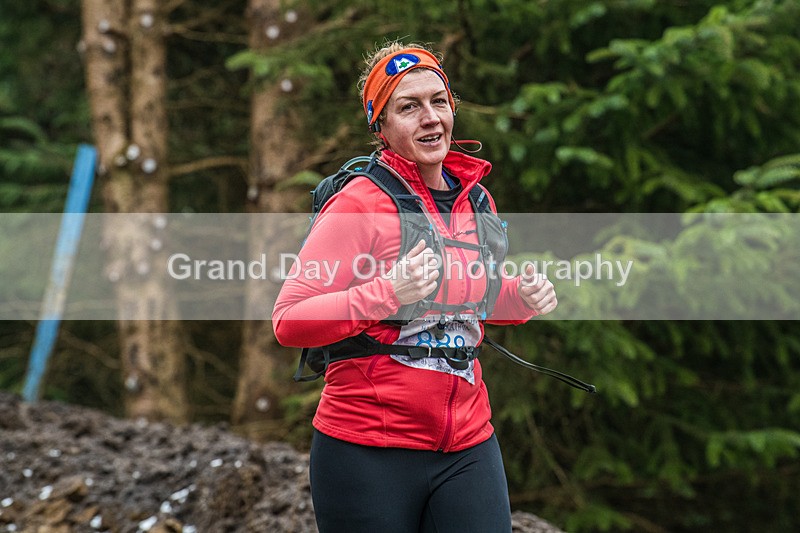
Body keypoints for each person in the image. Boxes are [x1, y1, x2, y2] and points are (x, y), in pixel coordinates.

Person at [272, 41, 557, 533]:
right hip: (366, 452)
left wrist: (520, 297)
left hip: (468, 446)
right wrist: (386, 292)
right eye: (409, 107)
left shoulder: (475, 199)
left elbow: (474, 299)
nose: (430, 118)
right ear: (380, 125)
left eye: (438, 101)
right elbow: (289, 319)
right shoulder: (358, 205)